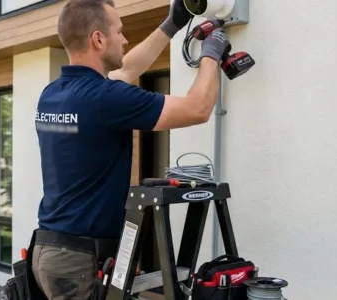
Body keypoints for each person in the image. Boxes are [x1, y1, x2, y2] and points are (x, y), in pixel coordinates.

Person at [30, 0, 231, 299]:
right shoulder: (105, 98)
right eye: (120, 32)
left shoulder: (53, 94)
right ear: (98, 39)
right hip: (79, 262)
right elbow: (198, 108)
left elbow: (125, 72)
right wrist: (211, 54)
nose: (125, 39)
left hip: (49, 250)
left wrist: (171, 26)